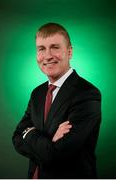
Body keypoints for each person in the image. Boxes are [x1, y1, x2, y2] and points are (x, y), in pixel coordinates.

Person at [12, 22, 101, 179]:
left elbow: (56, 155)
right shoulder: (37, 93)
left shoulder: (87, 94)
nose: (47, 55)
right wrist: (50, 138)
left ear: (69, 52)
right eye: (41, 49)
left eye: (55, 47)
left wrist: (29, 133)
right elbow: (16, 139)